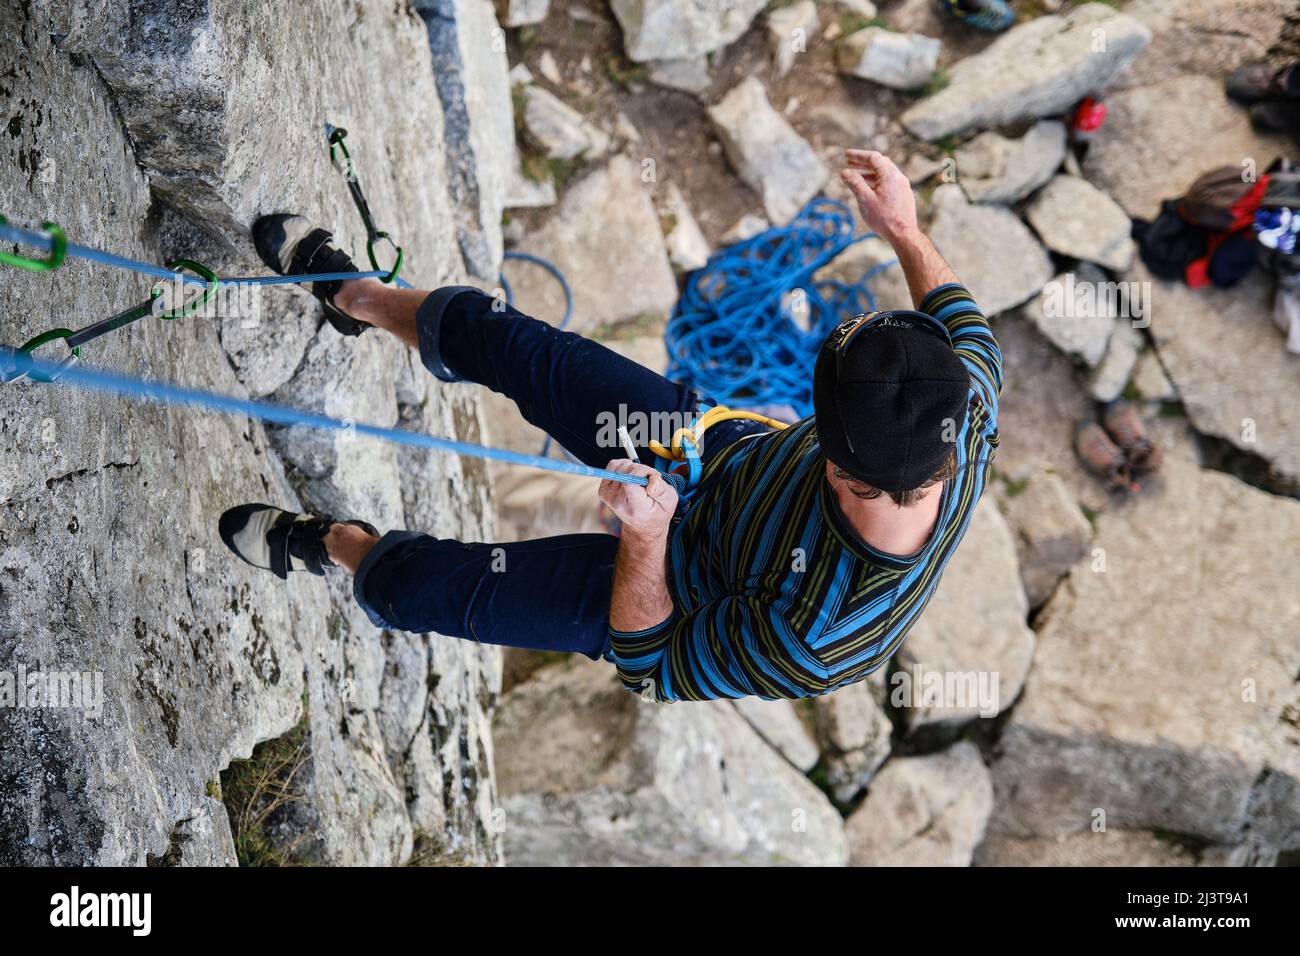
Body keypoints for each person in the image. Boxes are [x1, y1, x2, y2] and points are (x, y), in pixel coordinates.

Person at [219, 150, 1003, 703]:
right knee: (509, 342)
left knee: (424, 591)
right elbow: (959, 316)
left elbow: (649, 663)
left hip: (674, 585)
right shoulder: (960, 401)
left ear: (836, 463)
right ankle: (355, 297)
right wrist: (902, 227)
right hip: (713, 452)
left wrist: (648, 537)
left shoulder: (819, 637)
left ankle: (333, 544)